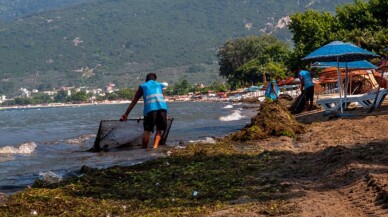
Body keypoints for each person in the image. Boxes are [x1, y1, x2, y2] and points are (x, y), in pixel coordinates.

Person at [120, 73, 168, 149]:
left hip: (150, 110)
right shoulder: (159, 85)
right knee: (159, 129)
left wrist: (126, 114)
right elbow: (162, 99)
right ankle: (155, 148)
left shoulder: (143, 86)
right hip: (163, 109)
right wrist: (166, 114)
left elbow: (134, 101)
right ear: (155, 79)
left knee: (147, 131)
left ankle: (144, 150)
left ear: (146, 79)